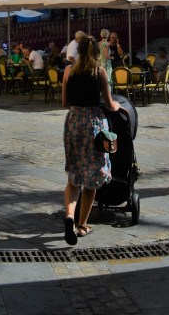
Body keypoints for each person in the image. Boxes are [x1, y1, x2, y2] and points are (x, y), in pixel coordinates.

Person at [62, 34, 120, 244]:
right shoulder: (99, 72)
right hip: (94, 123)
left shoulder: (69, 71)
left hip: (74, 122)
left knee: (73, 177)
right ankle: (82, 225)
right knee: (92, 179)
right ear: (96, 52)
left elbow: (64, 102)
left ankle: (69, 215)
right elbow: (109, 102)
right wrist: (119, 107)